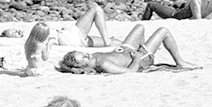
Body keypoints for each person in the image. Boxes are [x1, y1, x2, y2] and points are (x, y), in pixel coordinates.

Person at [57, 24, 195, 74]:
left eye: (84, 53)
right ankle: (179, 61)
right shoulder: (103, 64)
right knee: (163, 30)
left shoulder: (95, 57)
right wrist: (136, 58)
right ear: (83, 66)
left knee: (139, 27)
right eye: (84, 58)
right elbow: (130, 71)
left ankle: (147, 49)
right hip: (138, 59)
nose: (87, 54)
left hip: (124, 49)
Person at [22, 4, 114, 72]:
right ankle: (107, 41)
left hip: (70, 39)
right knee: (96, 9)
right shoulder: (41, 35)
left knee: (114, 41)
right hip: (69, 38)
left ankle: (109, 42)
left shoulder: (33, 39)